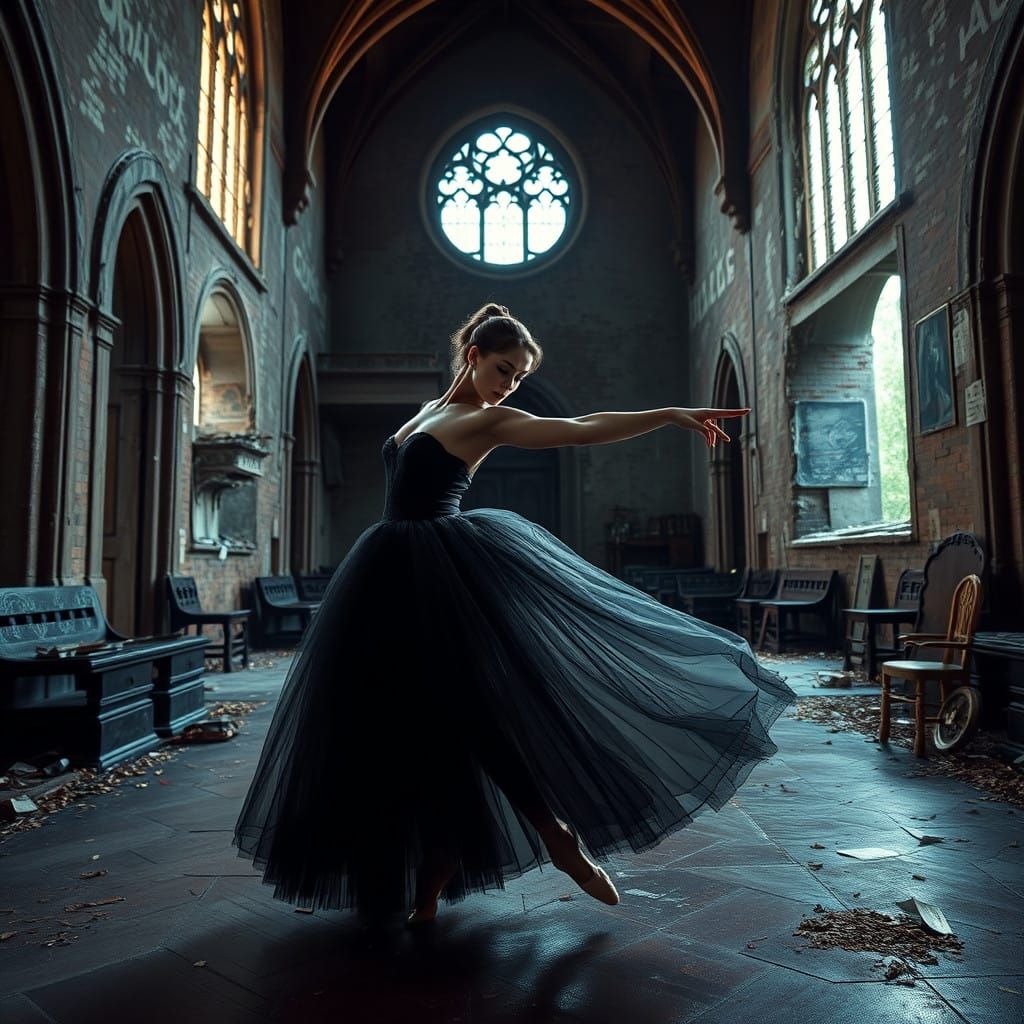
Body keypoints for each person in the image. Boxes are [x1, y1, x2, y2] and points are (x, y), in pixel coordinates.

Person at [234, 302, 797, 926]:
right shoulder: (430, 410)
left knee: (467, 713)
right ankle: (428, 878)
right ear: (473, 355)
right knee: (398, 724)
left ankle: (551, 833)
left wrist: (668, 415)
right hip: (386, 576)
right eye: (504, 370)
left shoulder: (489, 420)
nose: (510, 385)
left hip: (440, 578)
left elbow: (581, 427)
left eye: (519, 377)